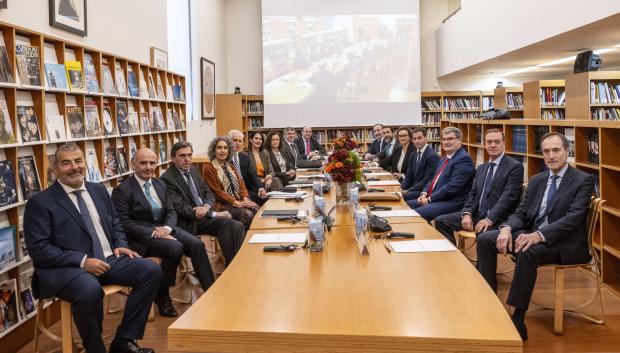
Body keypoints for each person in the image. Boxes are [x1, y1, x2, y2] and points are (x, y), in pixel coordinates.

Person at [23, 144, 161, 353]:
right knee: (89, 290)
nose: (74, 167)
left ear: (85, 163)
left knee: (151, 271)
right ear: (55, 167)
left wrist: (121, 245)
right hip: (68, 268)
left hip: (107, 258)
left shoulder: (98, 190)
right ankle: (95, 349)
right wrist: (83, 261)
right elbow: (39, 250)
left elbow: (115, 223)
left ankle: (124, 341)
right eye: (66, 162)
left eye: (78, 161)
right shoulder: (40, 203)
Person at [476, 132, 594, 341]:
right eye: (546, 151)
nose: (551, 155)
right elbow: (521, 213)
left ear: (567, 151)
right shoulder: (537, 179)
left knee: (527, 251)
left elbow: (573, 219)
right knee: (486, 239)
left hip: (564, 242)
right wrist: (506, 228)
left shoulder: (583, 180)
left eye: (556, 150)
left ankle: (518, 317)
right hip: (530, 233)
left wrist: (539, 235)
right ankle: (489, 300)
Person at [111, 147, 215, 318]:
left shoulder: (159, 184)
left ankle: (210, 291)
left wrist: (166, 228)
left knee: (196, 244)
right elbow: (124, 223)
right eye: (143, 163)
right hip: (142, 236)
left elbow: (171, 211)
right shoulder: (122, 190)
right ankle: (162, 296)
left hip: (166, 228)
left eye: (152, 163)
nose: (148, 167)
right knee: (174, 248)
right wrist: (154, 233)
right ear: (133, 164)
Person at [160, 141, 245, 266]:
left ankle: (235, 264)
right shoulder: (167, 178)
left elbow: (208, 193)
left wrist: (205, 207)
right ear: (173, 158)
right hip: (189, 221)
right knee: (228, 223)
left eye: (189, 155)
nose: (187, 159)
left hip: (204, 215)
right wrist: (214, 214)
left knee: (237, 226)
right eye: (182, 156)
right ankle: (233, 266)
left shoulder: (193, 170)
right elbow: (181, 208)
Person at [434, 129, 524, 244]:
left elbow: (507, 198)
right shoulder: (482, 168)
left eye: (497, 142)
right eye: (489, 142)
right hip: (477, 215)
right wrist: (466, 213)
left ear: (504, 143)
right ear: (485, 144)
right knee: (441, 221)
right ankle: (454, 255)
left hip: (497, 218)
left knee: (483, 235)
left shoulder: (514, 167)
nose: (493, 145)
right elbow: (472, 194)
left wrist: (489, 219)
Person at [407, 127, 475, 221]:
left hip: (452, 202)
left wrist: (430, 199)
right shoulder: (444, 158)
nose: (446, 142)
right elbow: (433, 179)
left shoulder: (463, 159)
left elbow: (453, 187)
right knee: (406, 205)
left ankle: (427, 234)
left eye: (450, 139)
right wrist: (424, 193)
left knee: (417, 214)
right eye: (444, 139)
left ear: (459, 140)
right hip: (436, 198)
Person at [203, 137, 259, 229]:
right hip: (222, 205)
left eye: (225, 148)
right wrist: (237, 203)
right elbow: (217, 192)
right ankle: (242, 241)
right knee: (247, 214)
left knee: (257, 208)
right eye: (219, 148)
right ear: (214, 150)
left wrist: (245, 199)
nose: (222, 151)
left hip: (238, 201)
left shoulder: (230, 166)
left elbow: (241, 185)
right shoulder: (209, 169)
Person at [227, 130, 268, 206]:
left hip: (247, 189)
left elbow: (253, 175)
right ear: (228, 142)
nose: (238, 143)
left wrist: (261, 188)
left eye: (240, 141)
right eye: (235, 140)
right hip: (233, 191)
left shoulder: (245, 157)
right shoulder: (225, 158)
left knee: (265, 198)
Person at [401, 127, 440, 201]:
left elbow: (427, 180)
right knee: (396, 193)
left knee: (404, 197)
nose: (417, 141)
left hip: (424, 190)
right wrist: (401, 188)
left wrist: (408, 190)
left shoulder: (432, 156)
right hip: (414, 188)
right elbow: (409, 175)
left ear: (426, 138)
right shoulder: (414, 154)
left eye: (419, 138)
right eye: (414, 139)